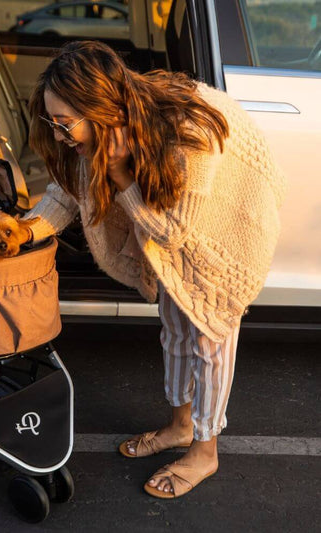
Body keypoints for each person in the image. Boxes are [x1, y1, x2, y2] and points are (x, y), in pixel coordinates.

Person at [20, 40, 287, 498]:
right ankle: (180, 427)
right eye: (52, 122)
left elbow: (174, 231)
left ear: (101, 108)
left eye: (65, 125)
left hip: (226, 227)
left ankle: (206, 451)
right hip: (173, 220)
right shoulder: (105, 132)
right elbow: (68, 193)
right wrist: (22, 232)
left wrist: (123, 173)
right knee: (175, 329)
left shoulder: (191, 135)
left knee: (209, 338)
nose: (60, 135)